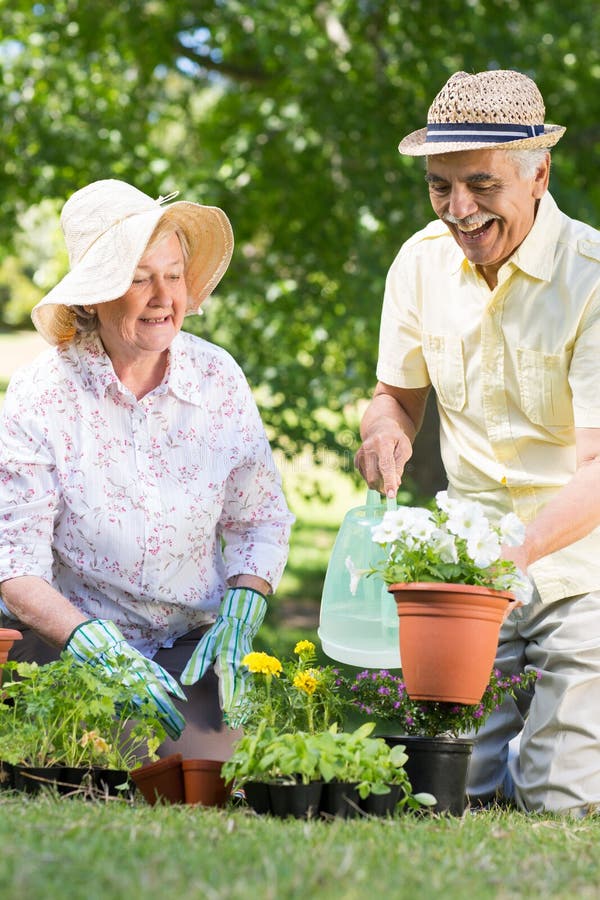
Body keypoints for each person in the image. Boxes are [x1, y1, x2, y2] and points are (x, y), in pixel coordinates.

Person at [355, 69, 600, 815]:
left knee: (557, 804)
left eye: (481, 185)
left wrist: (517, 554)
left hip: (580, 570)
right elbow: (394, 397)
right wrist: (383, 434)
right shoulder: (420, 263)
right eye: (439, 186)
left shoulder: (590, 279)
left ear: (538, 175)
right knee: (443, 795)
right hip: (467, 577)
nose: (459, 210)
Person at [0, 178, 294, 761]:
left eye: (174, 274)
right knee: (97, 758)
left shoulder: (217, 378)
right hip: (70, 642)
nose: (164, 296)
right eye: (138, 278)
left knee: (208, 770)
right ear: (90, 298)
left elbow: (258, 517)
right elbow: (15, 565)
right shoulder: (42, 394)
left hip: (189, 642)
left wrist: (243, 604)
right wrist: (93, 644)